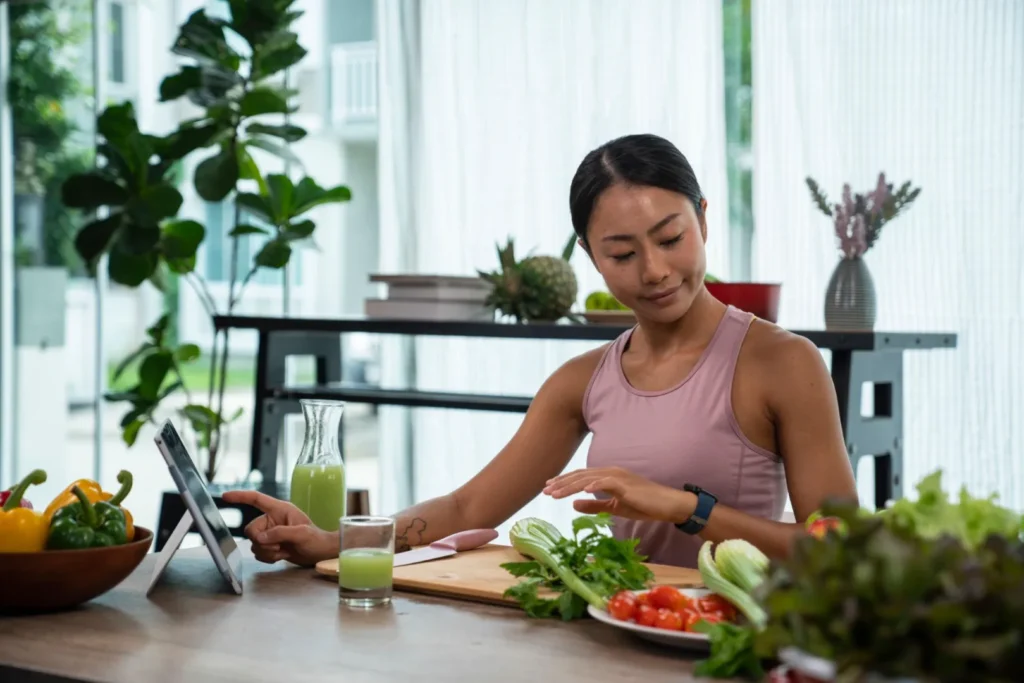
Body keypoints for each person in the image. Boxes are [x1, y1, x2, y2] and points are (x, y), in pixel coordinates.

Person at [224, 133, 858, 569]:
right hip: (616, 628)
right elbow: (468, 508)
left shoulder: (781, 362)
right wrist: (332, 540)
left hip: (736, 640)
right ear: (589, 255)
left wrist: (687, 508)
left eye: (671, 238)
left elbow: (839, 551)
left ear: (704, 221)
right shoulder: (582, 380)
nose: (656, 270)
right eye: (622, 253)